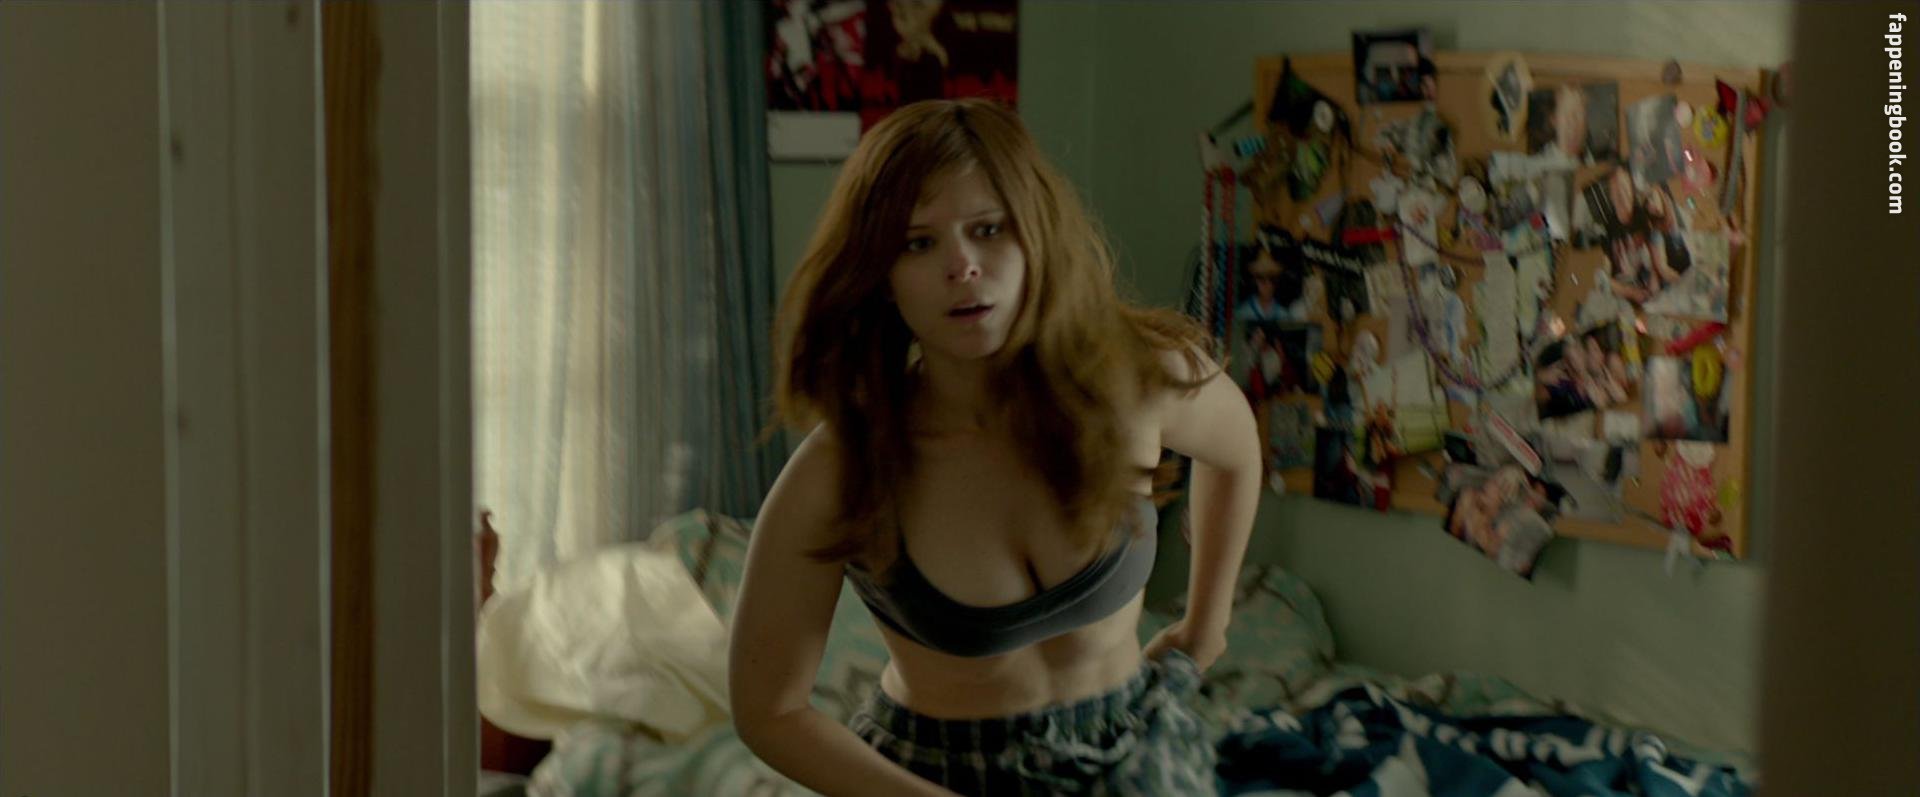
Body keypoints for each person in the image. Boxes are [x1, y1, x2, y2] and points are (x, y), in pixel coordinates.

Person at [729, 98, 1262, 796]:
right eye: (918, 243)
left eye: (988, 229)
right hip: (936, 776)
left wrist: (1204, 625)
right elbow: (767, 711)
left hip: (1134, 750)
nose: (963, 266)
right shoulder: (844, 467)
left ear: (1036, 233)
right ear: (880, 275)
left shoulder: (1135, 381)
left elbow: (1237, 449)